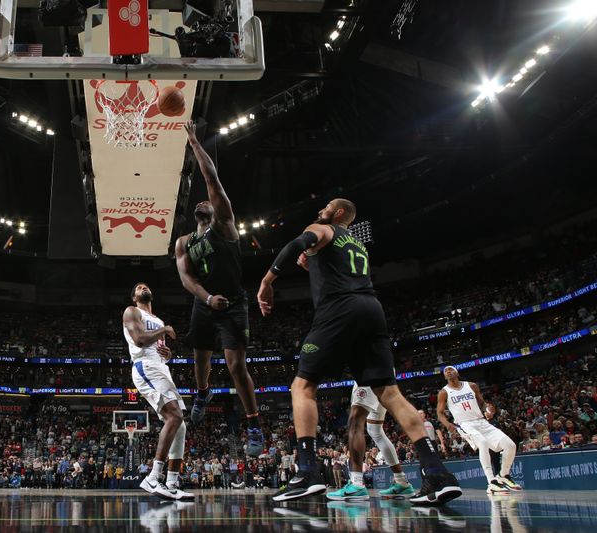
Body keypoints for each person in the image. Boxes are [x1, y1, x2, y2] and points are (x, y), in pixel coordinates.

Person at [257, 198, 460, 505]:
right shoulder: (357, 244)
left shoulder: (324, 229)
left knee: (302, 387)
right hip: (371, 309)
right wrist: (311, 260)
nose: (321, 209)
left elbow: (297, 242)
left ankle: (307, 472)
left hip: (339, 309)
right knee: (390, 394)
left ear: (338, 213)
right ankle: (437, 474)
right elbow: (326, 262)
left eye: (326, 206)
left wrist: (267, 281)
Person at [174, 121, 264, 456]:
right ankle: (202, 393)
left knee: (236, 366)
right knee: (200, 359)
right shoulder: (184, 241)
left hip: (234, 304)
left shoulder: (225, 226)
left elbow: (211, 179)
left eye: (208, 201)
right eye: (200, 202)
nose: (203, 200)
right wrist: (206, 297)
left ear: (215, 208)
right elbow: (186, 278)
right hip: (205, 303)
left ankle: (253, 423)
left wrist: (195, 142)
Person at [122, 282, 194, 501]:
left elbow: (157, 349)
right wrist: (164, 330)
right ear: (135, 297)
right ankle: (153, 477)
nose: (143, 288)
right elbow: (140, 340)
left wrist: (167, 354)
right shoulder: (132, 311)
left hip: (160, 367)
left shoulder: (159, 320)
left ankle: (172, 483)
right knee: (175, 416)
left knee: (179, 425)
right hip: (145, 367)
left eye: (146, 286)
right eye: (138, 288)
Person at [437, 366, 521, 494]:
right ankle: (491, 482)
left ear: (457, 372)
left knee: (510, 445)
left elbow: (482, 403)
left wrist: (488, 410)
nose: (448, 371)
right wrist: (447, 424)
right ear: (444, 376)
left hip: (481, 421)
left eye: (451, 369)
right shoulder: (444, 392)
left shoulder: (471, 386)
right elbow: (440, 412)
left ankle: (503, 475)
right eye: (446, 371)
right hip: (464, 424)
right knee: (483, 442)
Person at [326, 383, 414, 501]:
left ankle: (356, 484)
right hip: (383, 376)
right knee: (375, 430)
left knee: (355, 422)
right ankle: (401, 481)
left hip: (368, 374)